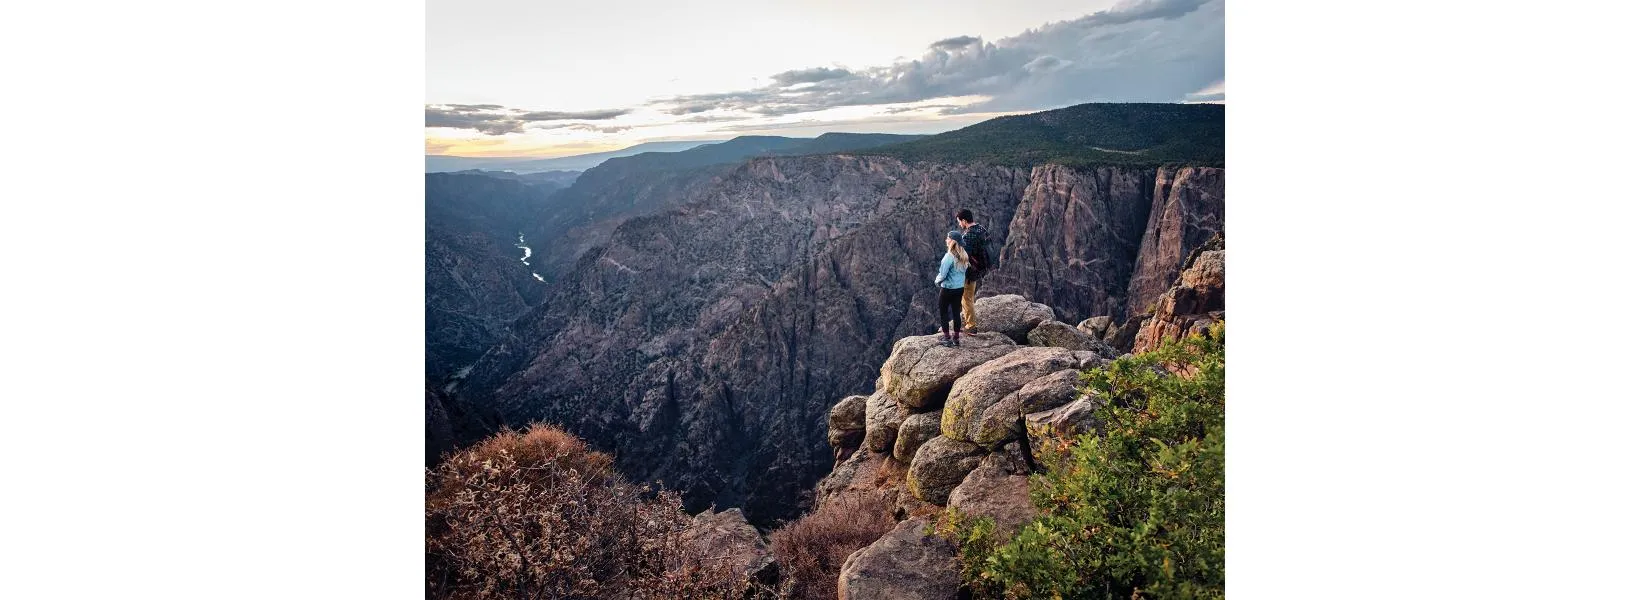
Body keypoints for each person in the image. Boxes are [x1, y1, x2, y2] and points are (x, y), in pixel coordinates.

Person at [955, 209, 992, 335]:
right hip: (980, 268)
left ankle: (971, 326)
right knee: (968, 296)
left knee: (966, 297)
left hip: (970, 271)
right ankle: (969, 324)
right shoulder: (981, 229)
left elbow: (964, 256)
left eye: (960, 222)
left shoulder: (969, 235)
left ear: (964, 221)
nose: (960, 224)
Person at [934, 230, 969, 347]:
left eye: (948, 238)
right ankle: (956, 338)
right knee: (955, 313)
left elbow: (943, 274)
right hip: (959, 288)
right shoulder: (964, 255)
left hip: (947, 289)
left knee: (943, 312)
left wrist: (937, 281)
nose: (946, 240)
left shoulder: (948, 257)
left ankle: (947, 338)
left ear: (952, 241)